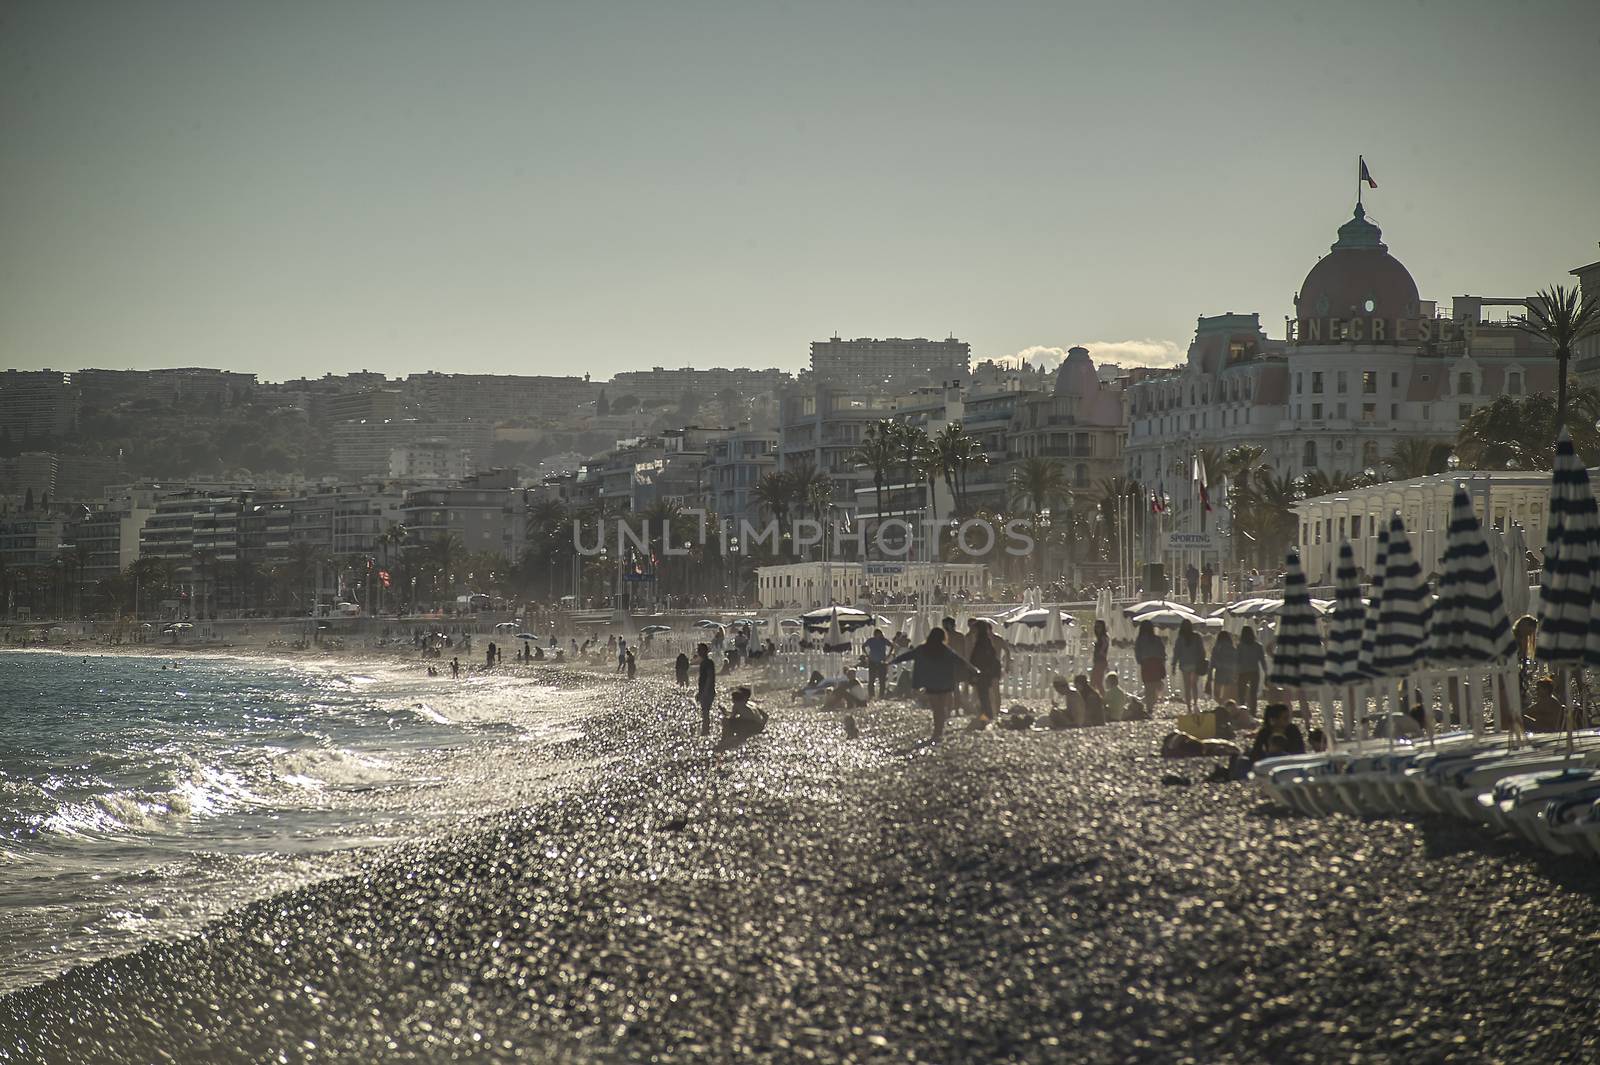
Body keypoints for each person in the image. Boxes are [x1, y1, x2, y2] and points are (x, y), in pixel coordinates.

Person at [891, 627, 976, 743]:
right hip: (945, 682)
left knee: (936, 708)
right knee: (942, 707)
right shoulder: (945, 649)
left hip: (931, 683)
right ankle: (939, 730)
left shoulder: (923, 649)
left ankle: (937, 731)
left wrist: (891, 662)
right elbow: (959, 660)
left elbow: (907, 656)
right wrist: (973, 668)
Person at [966, 619, 1003, 727]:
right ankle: (987, 715)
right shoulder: (986, 641)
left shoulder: (980, 642)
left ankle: (986, 716)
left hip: (983, 672)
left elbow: (977, 659)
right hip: (987, 672)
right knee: (984, 694)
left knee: (983, 695)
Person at [1171, 620, 1208, 715]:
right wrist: (1202, 660)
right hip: (1195, 664)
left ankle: (1189, 708)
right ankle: (1195, 703)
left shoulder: (1180, 639)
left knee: (1187, 686)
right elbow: (1202, 651)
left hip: (1184, 664)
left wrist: (1174, 665)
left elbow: (1176, 653)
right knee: (1194, 685)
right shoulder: (1197, 637)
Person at [1134, 621, 1167, 712]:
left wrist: (1140, 661)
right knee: (1155, 684)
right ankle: (1151, 704)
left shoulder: (1140, 639)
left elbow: (1137, 652)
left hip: (1146, 663)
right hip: (1157, 663)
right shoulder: (1156, 639)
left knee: (1148, 686)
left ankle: (1149, 706)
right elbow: (1162, 652)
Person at [1235, 626, 1267, 716]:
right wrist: (1266, 672)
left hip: (1242, 672)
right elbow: (1262, 660)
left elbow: (1237, 660)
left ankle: (1242, 711)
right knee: (1253, 694)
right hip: (1254, 671)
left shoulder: (1240, 646)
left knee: (1241, 693)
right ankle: (1253, 712)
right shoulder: (1258, 646)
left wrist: (1235, 672)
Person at [1209, 630, 1238, 705]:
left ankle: (1222, 705)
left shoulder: (1216, 648)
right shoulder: (1233, 648)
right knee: (1227, 693)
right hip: (1230, 672)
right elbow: (1236, 661)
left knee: (1216, 694)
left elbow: (1212, 662)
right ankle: (1226, 706)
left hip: (1220, 672)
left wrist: (1210, 674)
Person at [863, 627, 892, 699]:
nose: (878, 635)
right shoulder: (871, 640)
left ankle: (881, 695)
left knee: (882, 679)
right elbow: (863, 646)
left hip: (881, 661)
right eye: (877, 634)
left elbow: (891, 645)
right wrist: (867, 655)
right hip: (872, 661)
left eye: (879, 634)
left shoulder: (883, 640)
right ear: (875, 634)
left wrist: (888, 655)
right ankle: (871, 695)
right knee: (871, 679)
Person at [695, 641, 716, 736]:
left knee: (705, 711)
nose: (698, 652)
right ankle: (705, 729)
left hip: (708, 691)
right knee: (705, 711)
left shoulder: (708, 663)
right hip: (705, 690)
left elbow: (710, 677)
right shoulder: (704, 662)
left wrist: (705, 691)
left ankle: (706, 730)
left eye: (699, 650)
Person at [1090, 620, 1110, 693]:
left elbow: (1105, 645)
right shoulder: (1100, 637)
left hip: (1100, 661)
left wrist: (1101, 651)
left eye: (1098, 627)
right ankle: (1100, 697)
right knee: (1097, 682)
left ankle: (1095, 697)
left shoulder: (1103, 637)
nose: (1097, 628)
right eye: (1096, 627)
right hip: (1099, 661)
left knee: (1094, 681)